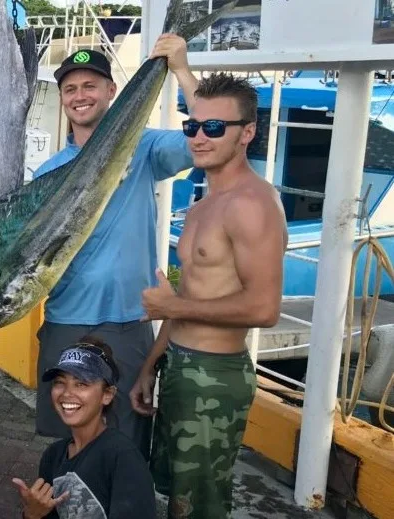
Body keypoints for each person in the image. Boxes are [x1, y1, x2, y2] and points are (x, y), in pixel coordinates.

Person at [0, 37, 198, 458]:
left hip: (127, 321)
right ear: (61, 98)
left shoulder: (146, 147)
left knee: (126, 443)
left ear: (111, 91)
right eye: (70, 88)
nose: (81, 95)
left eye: (90, 85)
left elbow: (204, 140)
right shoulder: (49, 171)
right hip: (66, 320)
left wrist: (182, 70)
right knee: (67, 442)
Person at [131, 72, 287, 519]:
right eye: (192, 126)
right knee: (175, 496)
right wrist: (151, 364)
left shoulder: (252, 204)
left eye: (215, 128)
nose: (199, 137)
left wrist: (173, 306)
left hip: (215, 378)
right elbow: (189, 293)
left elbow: (265, 308)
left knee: (199, 505)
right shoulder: (203, 204)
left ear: (248, 133)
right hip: (180, 367)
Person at [13, 338, 156, 519]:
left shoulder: (123, 459)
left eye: (81, 384)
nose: (67, 393)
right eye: (59, 382)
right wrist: (32, 514)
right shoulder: (52, 456)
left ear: (107, 395)